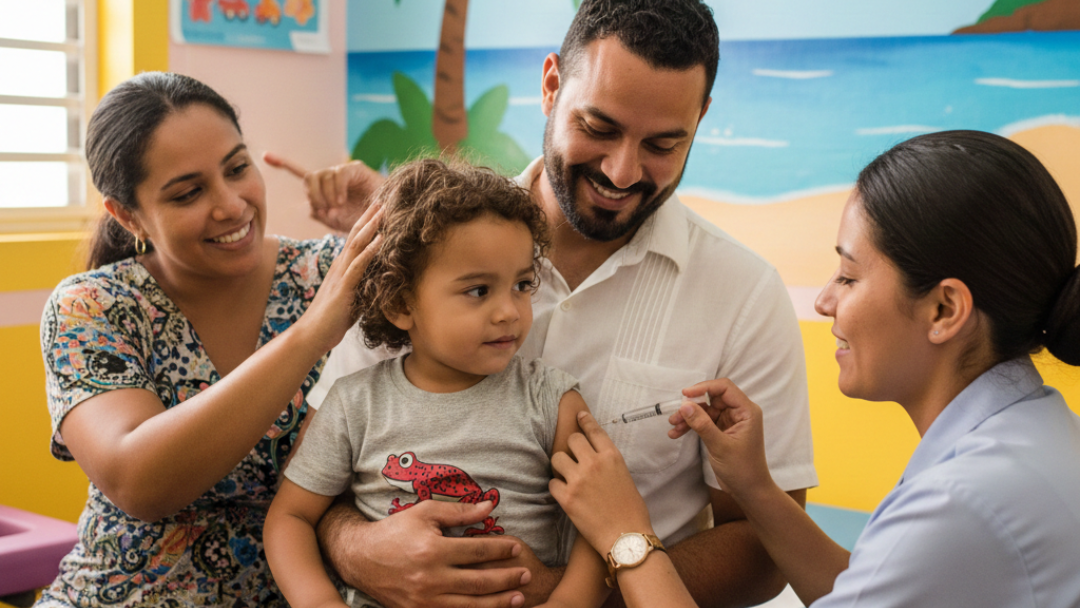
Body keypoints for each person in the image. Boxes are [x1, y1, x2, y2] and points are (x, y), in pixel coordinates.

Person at [268, 1, 816, 606]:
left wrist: (555, 592)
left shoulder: (743, 294)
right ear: (551, 85)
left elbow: (766, 548)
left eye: (663, 143)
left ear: (701, 116)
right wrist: (361, 552)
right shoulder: (419, 254)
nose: (622, 170)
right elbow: (312, 491)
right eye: (599, 128)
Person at [549, 130, 1080, 607]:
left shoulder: (961, 505)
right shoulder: (1035, 435)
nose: (824, 300)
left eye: (849, 277)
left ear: (944, 310)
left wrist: (625, 534)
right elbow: (868, 590)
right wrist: (754, 488)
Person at [36, 72, 383, 607]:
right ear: (127, 214)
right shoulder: (91, 305)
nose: (230, 205)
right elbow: (140, 481)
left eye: (238, 168)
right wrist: (311, 333)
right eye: (189, 192)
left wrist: (383, 208)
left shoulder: (329, 274)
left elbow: (493, 283)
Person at [264, 159, 611, 608]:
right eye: (478, 290)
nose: (509, 311)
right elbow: (289, 517)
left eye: (523, 284)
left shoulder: (552, 400)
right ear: (400, 303)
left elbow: (602, 524)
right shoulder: (354, 403)